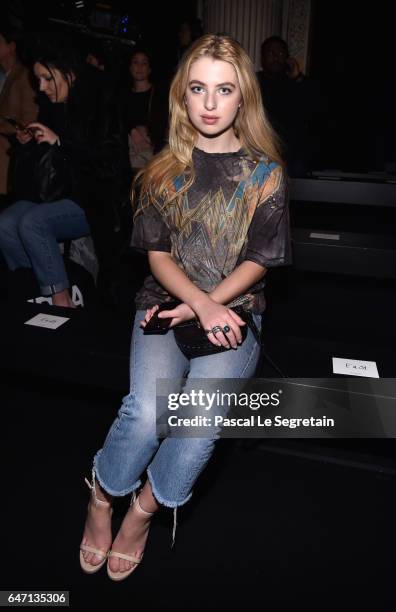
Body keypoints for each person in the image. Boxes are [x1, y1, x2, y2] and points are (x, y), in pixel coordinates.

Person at [79, 34, 291, 581]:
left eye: (225, 89)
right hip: (163, 303)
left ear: (244, 97)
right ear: (183, 96)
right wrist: (194, 302)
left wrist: (209, 306)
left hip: (236, 308)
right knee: (148, 412)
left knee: (197, 420)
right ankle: (103, 493)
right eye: (199, 88)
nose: (212, 102)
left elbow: (261, 259)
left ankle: (144, 511)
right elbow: (157, 257)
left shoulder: (265, 175)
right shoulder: (160, 171)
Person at [0, 37, 126, 307]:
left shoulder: (100, 100)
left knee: (33, 222)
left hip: (95, 200)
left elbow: (109, 165)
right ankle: (37, 289)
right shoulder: (52, 104)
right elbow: (46, 164)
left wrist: (60, 142)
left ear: (68, 73)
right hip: (56, 194)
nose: (42, 87)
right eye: (38, 80)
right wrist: (30, 141)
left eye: (47, 78)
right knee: (6, 222)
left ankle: (61, 302)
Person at [257, 35, 323, 176]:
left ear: (287, 58)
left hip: (291, 155)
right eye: (271, 53)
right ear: (262, 58)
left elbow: (316, 109)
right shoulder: (253, 83)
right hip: (260, 150)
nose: (276, 57)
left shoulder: (298, 83)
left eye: (280, 53)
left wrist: (298, 78)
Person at [0, 26, 38, 198]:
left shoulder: (24, 76)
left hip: (8, 155)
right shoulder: (4, 75)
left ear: (11, 46)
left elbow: (29, 122)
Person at [119, 48, 167, 173]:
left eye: (144, 63)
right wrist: (133, 131)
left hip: (153, 154)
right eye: (135, 62)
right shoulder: (122, 95)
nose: (139, 67)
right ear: (129, 67)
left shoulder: (159, 95)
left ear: (150, 68)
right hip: (130, 157)